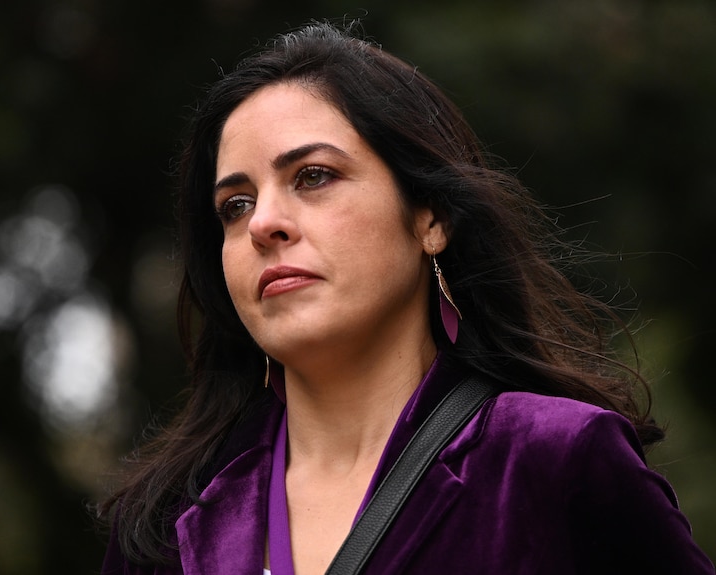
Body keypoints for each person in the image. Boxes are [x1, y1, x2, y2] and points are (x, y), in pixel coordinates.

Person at [99, 21, 714, 574]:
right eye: (235, 205)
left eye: (312, 176)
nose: (263, 223)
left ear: (430, 216)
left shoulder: (555, 462)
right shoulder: (161, 531)